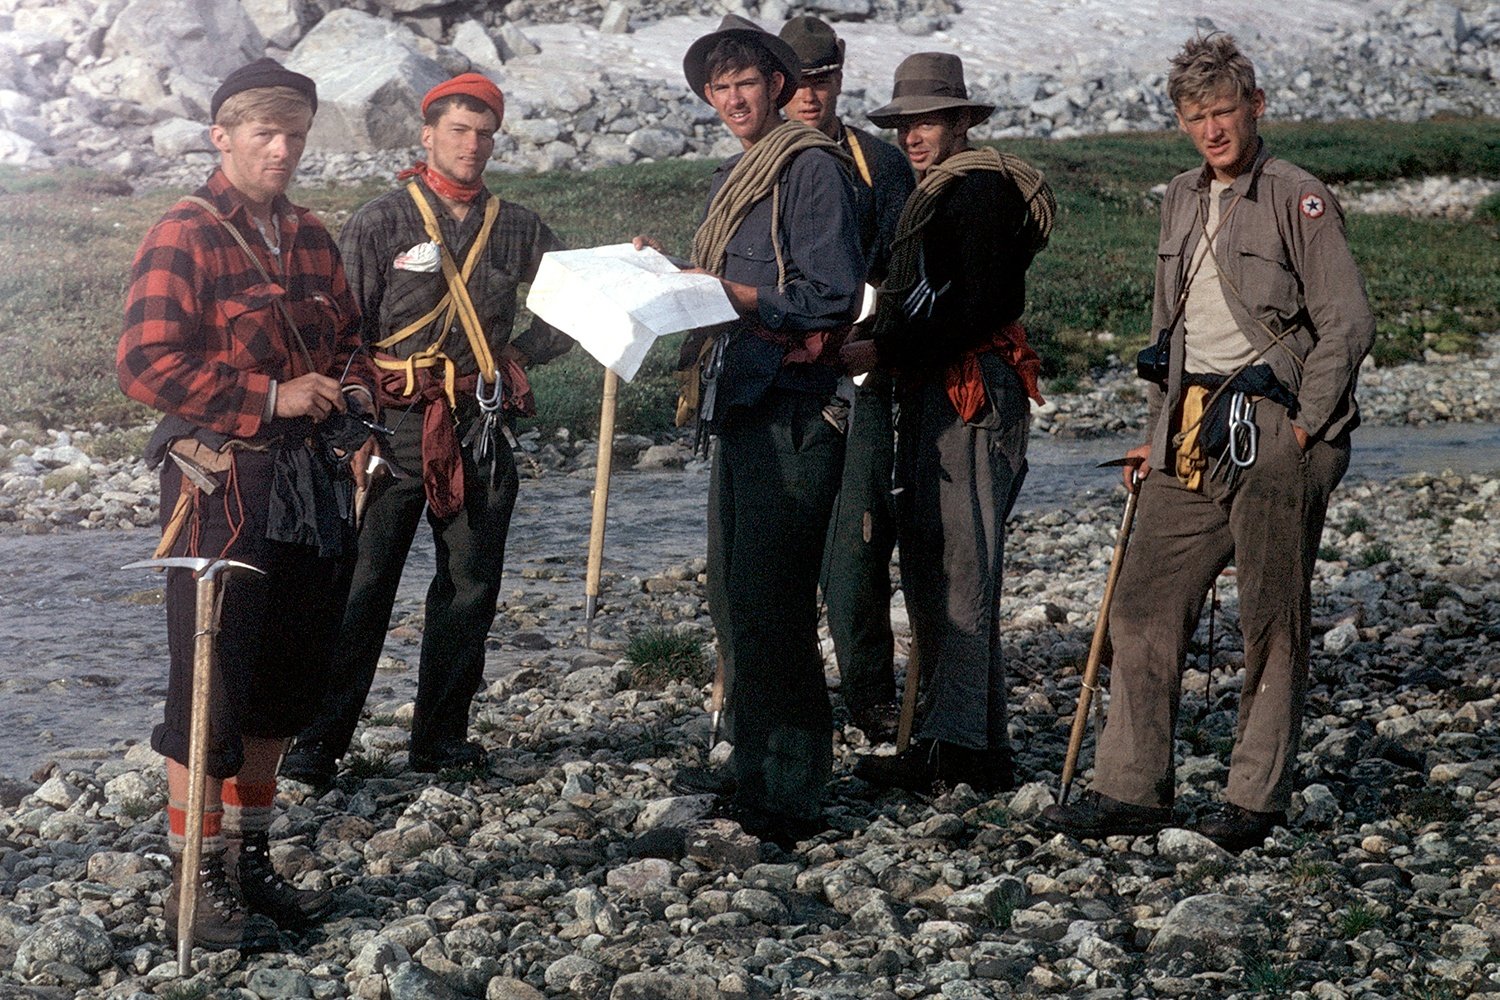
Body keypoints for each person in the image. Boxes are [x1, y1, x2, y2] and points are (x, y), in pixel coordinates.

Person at [1040, 33, 1374, 850]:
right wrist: (1154, 436)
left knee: (1271, 617)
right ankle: (1130, 790)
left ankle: (1255, 800)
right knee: (1142, 604)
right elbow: (1170, 333)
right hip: (1191, 427)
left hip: (1277, 428)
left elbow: (1348, 322)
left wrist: (1305, 424)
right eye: (1196, 117)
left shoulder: (1298, 196)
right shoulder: (1181, 198)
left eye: (1224, 111)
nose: (1212, 130)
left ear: (1256, 107)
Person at [118, 57, 374, 949]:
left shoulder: (309, 233)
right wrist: (269, 396)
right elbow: (144, 363)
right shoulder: (183, 233)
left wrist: (352, 399)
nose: (282, 150)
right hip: (222, 483)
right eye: (265, 133)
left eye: (295, 134)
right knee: (212, 684)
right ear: (221, 137)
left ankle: (249, 861)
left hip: (311, 484)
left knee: (286, 680)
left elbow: (352, 341)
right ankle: (193, 883)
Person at [280, 73, 573, 785]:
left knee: (470, 586)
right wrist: (350, 431)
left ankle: (441, 739)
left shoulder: (518, 225)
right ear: (428, 135)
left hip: (479, 423)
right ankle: (317, 743)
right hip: (392, 426)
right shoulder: (381, 220)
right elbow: (342, 331)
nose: (472, 145)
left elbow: (575, 297)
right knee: (361, 584)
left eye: (484, 133)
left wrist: (520, 355)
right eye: (458, 131)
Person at [644, 15, 863, 847]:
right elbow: (728, 278)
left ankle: (792, 794)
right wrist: (666, 274)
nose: (734, 99)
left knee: (774, 600)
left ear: (776, 85)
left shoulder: (810, 169)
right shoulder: (740, 174)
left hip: (796, 409)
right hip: (743, 405)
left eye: (746, 83)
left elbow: (830, 296)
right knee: (739, 596)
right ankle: (754, 771)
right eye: (720, 87)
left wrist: (728, 294)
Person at [843, 52, 1054, 796]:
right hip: (942, 389)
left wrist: (885, 347)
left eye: (928, 121)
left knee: (961, 567)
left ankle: (954, 747)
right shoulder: (942, 193)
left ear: (962, 122)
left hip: (973, 394)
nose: (913, 136)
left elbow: (984, 306)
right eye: (905, 125)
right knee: (945, 564)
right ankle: (976, 746)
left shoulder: (981, 191)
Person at [778, 15, 916, 742]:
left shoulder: (881, 165)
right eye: (798, 84)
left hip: (860, 370)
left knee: (861, 536)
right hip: (780, 378)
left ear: (840, 76)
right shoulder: (756, 165)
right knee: (778, 541)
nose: (810, 97)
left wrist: (878, 342)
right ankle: (779, 697)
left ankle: (868, 693)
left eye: (823, 81)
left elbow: (903, 269)